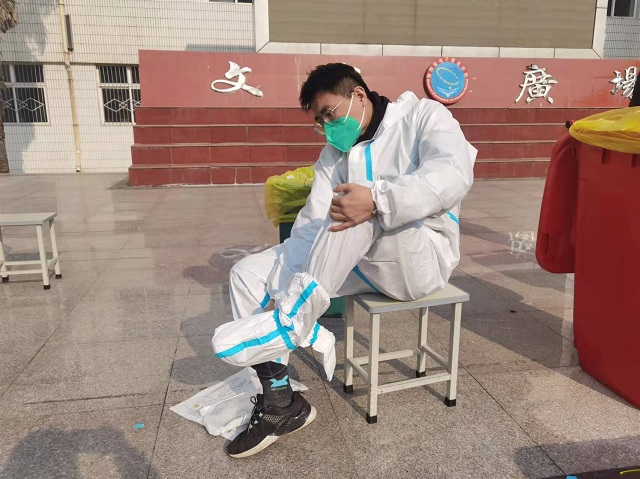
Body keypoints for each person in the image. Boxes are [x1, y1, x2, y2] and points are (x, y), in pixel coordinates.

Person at [212, 63, 477, 458]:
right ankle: (281, 403)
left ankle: (292, 322)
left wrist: (379, 200)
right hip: (356, 260)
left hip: (419, 260)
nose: (326, 126)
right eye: (319, 122)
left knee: (356, 204)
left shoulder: (423, 116)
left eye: (329, 114)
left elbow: (453, 174)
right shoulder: (333, 154)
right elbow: (310, 226)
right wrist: (281, 284)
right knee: (247, 274)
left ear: (358, 95)